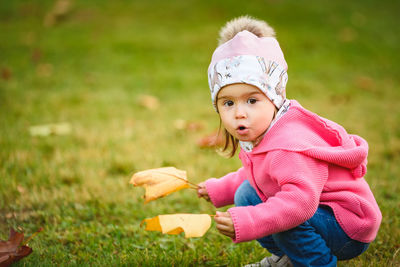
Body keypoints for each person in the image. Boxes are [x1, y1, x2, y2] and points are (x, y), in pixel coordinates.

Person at [197, 16, 382, 267]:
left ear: (275, 98)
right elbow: (259, 175)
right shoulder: (262, 130)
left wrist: (250, 220)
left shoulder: (289, 145)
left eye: (252, 100)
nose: (239, 112)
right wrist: (220, 189)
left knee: (284, 216)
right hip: (320, 213)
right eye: (228, 102)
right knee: (247, 194)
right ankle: (290, 258)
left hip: (347, 226)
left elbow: (299, 204)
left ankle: (315, 262)